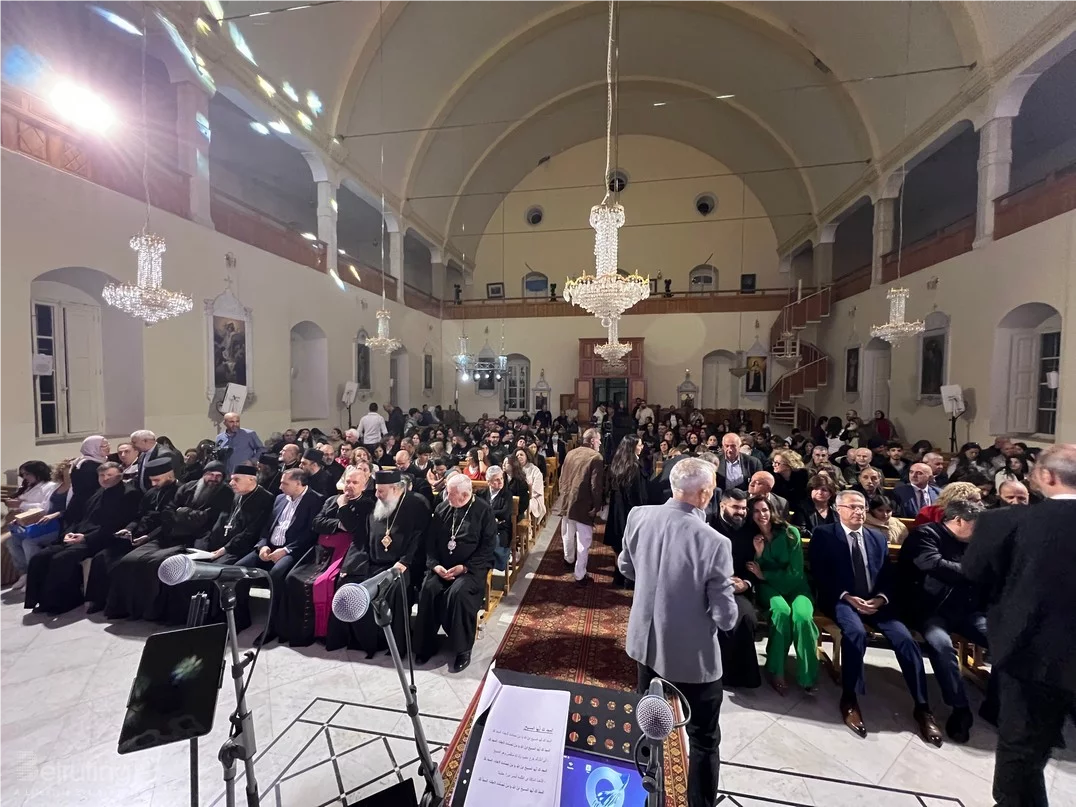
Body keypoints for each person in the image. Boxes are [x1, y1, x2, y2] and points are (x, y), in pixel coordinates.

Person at [617, 457, 738, 807]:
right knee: (703, 738)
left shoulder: (638, 515)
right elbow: (725, 616)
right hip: (692, 658)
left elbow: (626, 566)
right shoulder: (714, 542)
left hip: (645, 645)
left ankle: (639, 791)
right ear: (704, 494)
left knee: (647, 721)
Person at [963, 443, 1076, 806]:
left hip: (1029, 653)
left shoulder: (1003, 523)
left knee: (1022, 754)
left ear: (1045, 476)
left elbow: (974, 578)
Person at [807, 490, 942, 744]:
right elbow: (820, 573)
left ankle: (922, 706)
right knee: (855, 632)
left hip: (876, 601)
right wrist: (847, 596)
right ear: (839, 509)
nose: (859, 512)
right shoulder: (824, 535)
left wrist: (880, 599)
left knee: (904, 639)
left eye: (862, 507)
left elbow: (887, 576)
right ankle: (850, 697)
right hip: (842, 599)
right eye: (853, 507)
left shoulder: (876, 537)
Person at [897, 499, 989, 744]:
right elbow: (933, 564)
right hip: (931, 610)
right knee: (942, 646)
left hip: (969, 611)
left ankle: (997, 704)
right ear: (958, 520)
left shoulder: (976, 543)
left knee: (1004, 640)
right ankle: (960, 708)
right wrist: (973, 570)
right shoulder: (925, 535)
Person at [105, 461, 232, 621]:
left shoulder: (225, 493)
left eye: (218, 476)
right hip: (167, 535)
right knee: (128, 560)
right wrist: (186, 515)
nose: (213, 478)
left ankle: (152, 612)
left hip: (193, 539)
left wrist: (182, 513)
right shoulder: (188, 487)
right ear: (203, 474)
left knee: (155, 563)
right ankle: (129, 609)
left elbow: (207, 518)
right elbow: (168, 511)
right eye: (210, 474)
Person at [23, 462, 139, 614]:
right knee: (40, 557)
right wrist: (68, 534)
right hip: (79, 535)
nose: (105, 479)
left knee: (62, 558)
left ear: (120, 475)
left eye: (109, 475)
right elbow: (79, 517)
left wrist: (84, 538)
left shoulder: (128, 494)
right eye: (102, 475)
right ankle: (42, 601)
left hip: (101, 539)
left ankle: (64, 602)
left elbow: (115, 525)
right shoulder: (98, 492)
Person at [414, 474, 496, 673]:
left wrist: (465, 567)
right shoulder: (443, 508)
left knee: (458, 594)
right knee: (429, 588)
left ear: (465, 494)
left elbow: (487, 547)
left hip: (470, 570)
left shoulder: (483, 511)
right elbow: (431, 542)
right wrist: (434, 566)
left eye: (450, 493)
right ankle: (426, 645)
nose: (446, 496)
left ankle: (462, 649)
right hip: (442, 567)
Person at [236, 468, 322, 645]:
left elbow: (310, 534)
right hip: (269, 547)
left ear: (299, 484)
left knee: (276, 575)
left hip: (293, 550)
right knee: (238, 571)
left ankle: (273, 626)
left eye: (285, 483)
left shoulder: (316, 500)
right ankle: (239, 619)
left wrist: (285, 550)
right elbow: (267, 527)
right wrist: (262, 545)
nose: (280, 486)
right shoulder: (279, 498)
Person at [746, 496, 818, 694]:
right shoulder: (750, 537)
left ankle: (807, 674)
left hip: (796, 586)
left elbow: (796, 572)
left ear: (772, 510)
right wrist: (759, 553)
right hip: (768, 587)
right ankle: (776, 669)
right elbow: (752, 569)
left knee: (802, 617)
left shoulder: (790, 533)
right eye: (756, 511)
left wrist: (764, 573)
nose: (762, 515)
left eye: (765, 510)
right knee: (781, 611)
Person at [89, 458, 180, 613]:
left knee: (124, 563)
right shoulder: (152, 493)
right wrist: (129, 530)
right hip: (138, 535)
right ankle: (98, 600)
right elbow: (139, 516)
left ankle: (122, 607)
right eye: (151, 480)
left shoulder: (181, 492)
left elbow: (170, 522)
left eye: (156, 480)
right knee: (101, 557)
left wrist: (148, 537)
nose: (153, 484)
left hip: (162, 537)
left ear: (169, 476)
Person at [708, 489, 761, 689]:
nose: (741, 512)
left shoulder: (749, 530)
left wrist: (745, 583)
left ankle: (737, 677)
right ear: (723, 505)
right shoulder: (708, 524)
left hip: (738, 589)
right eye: (736, 507)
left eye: (744, 508)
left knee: (746, 617)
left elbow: (751, 565)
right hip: (710, 586)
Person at [553, 428, 605, 584]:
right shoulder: (596, 457)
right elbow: (596, 486)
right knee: (583, 541)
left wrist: (563, 495)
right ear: (592, 441)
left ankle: (568, 560)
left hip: (567, 500)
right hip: (583, 503)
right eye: (599, 439)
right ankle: (580, 575)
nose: (600, 442)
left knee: (567, 534)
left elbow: (561, 477)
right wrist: (597, 505)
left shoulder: (571, 453)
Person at [605, 436, 648, 587]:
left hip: (617, 510)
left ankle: (617, 576)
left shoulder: (618, 463)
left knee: (618, 544)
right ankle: (629, 579)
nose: (642, 447)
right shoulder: (634, 467)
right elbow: (638, 494)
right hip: (630, 511)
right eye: (640, 445)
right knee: (631, 545)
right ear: (632, 447)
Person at [66, 435, 110, 527]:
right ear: (92, 448)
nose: (108, 448)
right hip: (86, 506)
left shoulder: (87, 461)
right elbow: (91, 488)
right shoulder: (88, 466)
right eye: (103, 446)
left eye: (107, 444)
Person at [479, 466, 513, 571]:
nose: (500, 481)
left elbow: (505, 514)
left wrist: (486, 513)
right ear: (488, 482)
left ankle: (489, 566)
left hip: (501, 529)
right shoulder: (482, 494)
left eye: (502, 478)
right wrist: (492, 515)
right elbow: (477, 512)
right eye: (497, 479)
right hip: (483, 528)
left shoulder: (507, 494)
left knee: (491, 542)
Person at [215, 412, 264, 476]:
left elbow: (262, 449)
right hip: (226, 475)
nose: (235, 424)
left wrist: (252, 461)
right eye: (231, 422)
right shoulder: (220, 438)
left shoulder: (249, 434)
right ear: (225, 423)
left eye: (237, 421)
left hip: (244, 473)